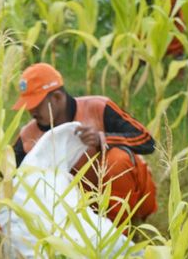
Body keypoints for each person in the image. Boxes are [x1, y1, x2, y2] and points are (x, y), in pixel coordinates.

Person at [12, 63, 157, 223]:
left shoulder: (98, 108)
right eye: (28, 106)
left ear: (57, 98)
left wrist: (103, 138)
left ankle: (118, 231)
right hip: (76, 213)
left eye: (36, 105)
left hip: (127, 199)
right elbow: (5, 176)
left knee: (118, 159)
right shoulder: (28, 136)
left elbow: (146, 140)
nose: (32, 112)